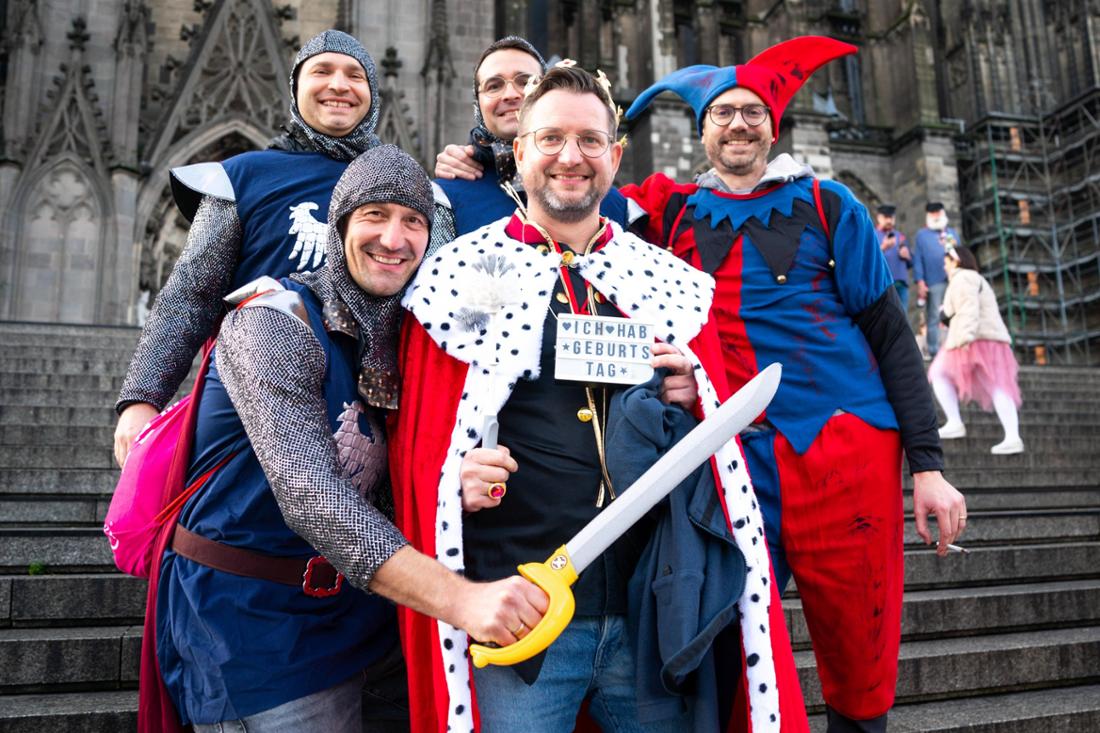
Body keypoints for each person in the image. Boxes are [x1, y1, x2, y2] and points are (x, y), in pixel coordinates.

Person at [390, 65, 804, 733]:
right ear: (520, 151)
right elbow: (422, 441)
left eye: (589, 140)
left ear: (615, 156)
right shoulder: (463, 274)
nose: (570, 158)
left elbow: (728, 444)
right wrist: (451, 480)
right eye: (550, 138)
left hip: (649, 614)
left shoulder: (667, 281)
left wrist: (694, 398)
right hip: (519, 616)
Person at [620, 36, 967, 733]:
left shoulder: (828, 202)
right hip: (735, 458)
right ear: (703, 131)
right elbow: (571, 191)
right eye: (722, 114)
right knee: (734, 638)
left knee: (859, 642)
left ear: (772, 127)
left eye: (751, 112)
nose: (738, 124)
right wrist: (489, 157)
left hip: (846, 449)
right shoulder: (673, 212)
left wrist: (928, 466)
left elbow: (892, 334)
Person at [154, 146, 548, 733]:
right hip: (251, 630)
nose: (394, 238)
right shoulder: (273, 321)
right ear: (338, 225)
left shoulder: (401, 340)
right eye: (374, 215)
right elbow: (311, 493)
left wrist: (446, 485)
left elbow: (387, 477)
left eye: (412, 221)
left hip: (364, 623)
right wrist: (462, 600)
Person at [114, 30, 388, 466]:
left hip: (362, 412)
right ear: (295, 87)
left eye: (355, 75)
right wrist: (141, 399)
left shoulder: (395, 183)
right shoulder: (243, 176)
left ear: (372, 96)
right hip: (250, 401)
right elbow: (189, 296)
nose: (339, 84)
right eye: (322, 70)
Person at [431, 37, 640, 242]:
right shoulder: (447, 198)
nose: (510, 94)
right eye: (494, 86)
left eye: (526, 81)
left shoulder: (616, 205)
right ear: (478, 101)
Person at [929, 244, 1024, 454]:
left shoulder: (963, 278)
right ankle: (1011, 436)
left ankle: (956, 422)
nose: (944, 267)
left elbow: (968, 309)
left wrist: (964, 338)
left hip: (975, 339)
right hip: (983, 338)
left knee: (939, 374)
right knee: (996, 386)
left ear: (955, 260)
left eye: (946, 262)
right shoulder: (971, 278)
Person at [913, 202, 960, 358]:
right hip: (933, 281)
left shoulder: (952, 233)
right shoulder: (922, 235)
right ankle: (934, 351)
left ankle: (956, 348)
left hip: (954, 280)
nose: (936, 216)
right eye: (932, 213)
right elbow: (918, 259)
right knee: (933, 316)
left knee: (956, 314)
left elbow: (960, 254)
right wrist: (920, 281)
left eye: (938, 212)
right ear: (928, 215)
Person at [875, 204, 912, 310]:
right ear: (879, 218)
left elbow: (911, 263)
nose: (889, 220)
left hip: (901, 283)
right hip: (883, 283)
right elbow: (868, 259)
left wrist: (907, 255)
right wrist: (883, 247)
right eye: (886, 217)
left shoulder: (900, 235)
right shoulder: (872, 234)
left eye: (891, 217)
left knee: (903, 317)